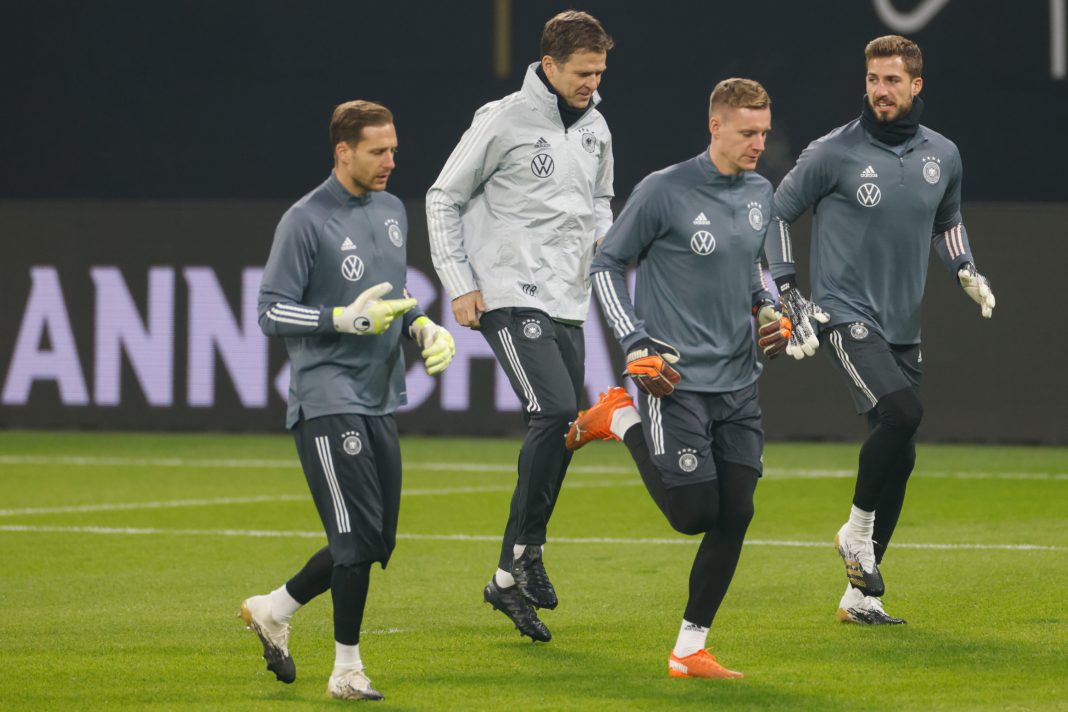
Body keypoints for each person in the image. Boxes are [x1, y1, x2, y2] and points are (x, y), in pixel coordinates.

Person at [766, 35, 996, 625]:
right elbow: (777, 212)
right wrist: (789, 286)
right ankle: (855, 533)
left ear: (916, 85)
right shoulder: (832, 152)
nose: (880, 91)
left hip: (902, 322)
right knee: (903, 416)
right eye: (872, 79)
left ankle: (859, 596)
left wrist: (964, 267)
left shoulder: (942, 154)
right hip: (845, 313)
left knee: (902, 456)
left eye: (892, 80)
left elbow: (948, 220)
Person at [567, 78, 791, 679]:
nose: (758, 145)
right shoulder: (663, 191)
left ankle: (689, 649)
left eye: (764, 133)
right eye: (748, 132)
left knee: (737, 513)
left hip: (739, 382)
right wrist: (636, 340)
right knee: (693, 515)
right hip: (675, 380)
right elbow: (607, 265)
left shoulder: (760, 192)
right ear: (715, 125)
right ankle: (620, 416)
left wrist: (769, 310)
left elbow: (753, 272)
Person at [240, 100, 456, 701]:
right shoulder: (305, 220)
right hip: (326, 397)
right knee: (357, 539)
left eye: (393, 149)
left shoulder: (390, 210)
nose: (391, 161)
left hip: (380, 395)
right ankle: (346, 670)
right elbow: (268, 311)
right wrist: (340, 319)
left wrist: (422, 326)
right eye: (377, 151)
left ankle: (274, 609)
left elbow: (397, 291)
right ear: (343, 152)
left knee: (375, 543)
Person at [425, 10, 614, 642]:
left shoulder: (596, 129)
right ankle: (526, 551)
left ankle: (508, 577)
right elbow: (443, 196)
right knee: (554, 411)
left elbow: (599, 204)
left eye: (599, 70)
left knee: (562, 430)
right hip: (508, 289)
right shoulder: (503, 119)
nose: (593, 82)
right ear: (552, 65)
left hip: (568, 297)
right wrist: (460, 283)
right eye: (584, 72)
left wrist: (608, 256)